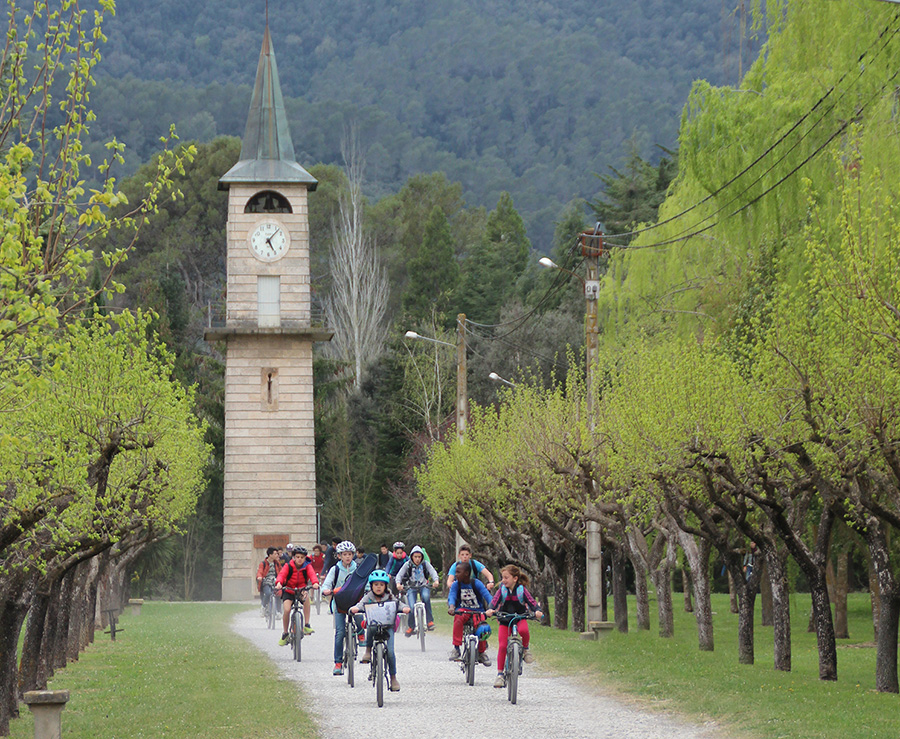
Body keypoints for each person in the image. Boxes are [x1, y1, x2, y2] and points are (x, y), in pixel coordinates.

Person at [350, 569, 410, 692]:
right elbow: (360, 605)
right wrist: (355, 608)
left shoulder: (390, 596)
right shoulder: (368, 597)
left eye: (381, 585)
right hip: (374, 625)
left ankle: (393, 677)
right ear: (371, 586)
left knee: (391, 652)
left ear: (385, 586)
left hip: (388, 627)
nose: (378, 587)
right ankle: (368, 650)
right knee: (371, 628)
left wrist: (405, 608)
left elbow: (399, 605)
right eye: (376, 584)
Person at [485, 564, 543, 688]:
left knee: (524, 630)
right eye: (502, 578)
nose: (504, 580)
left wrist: (537, 610)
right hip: (505, 619)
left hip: (520, 617)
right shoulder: (502, 590)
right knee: (502, 646)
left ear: (515, 578)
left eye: (506, 577)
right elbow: (494, 602)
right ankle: (500, 675)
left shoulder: (522, 590)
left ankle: (525, 650)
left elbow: (531, 602)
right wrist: (490, 610)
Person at [321, 540, 359, 675]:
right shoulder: (335, 569)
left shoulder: (357, 568)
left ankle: (361, 637)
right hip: (340, 603)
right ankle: (338, 662)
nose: (347, 557)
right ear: (339, 556)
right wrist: (326, 590)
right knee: (340, 633)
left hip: (355, 602)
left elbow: (366, 581)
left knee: (361, 619)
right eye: (344, 554)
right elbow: (327, 583)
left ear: (353, 555)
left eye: (350, 554)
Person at [447, 561, 492, 665]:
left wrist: (492, 607)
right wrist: (452, 607)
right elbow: (452, 596)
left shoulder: (476, 583)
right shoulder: (455, 585)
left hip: (478, 611)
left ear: (466, 573)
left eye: (458, 572)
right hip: (462, 610)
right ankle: (456, 647)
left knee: (482, 628)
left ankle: (482, 652)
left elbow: (487, 596)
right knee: (458, 619)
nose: (456, 575)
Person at [275, 546, 319, 645]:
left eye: (302, 557)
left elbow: (312, 575)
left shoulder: (307, 566)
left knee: (306, 599)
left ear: (305, 558)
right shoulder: (288, 566)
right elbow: (281, 575)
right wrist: (279, 583)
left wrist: (315, 583)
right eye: (297, 557)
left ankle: (307, 625)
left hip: (301, 590)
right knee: (286, 610)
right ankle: (285, 633)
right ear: (294, 557)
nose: (300, 559)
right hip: (289, 590)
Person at [395, 545, 439, 635]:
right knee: (411, 606)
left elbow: (433, 572)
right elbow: (399, 575)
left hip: (424, 585)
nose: (417, 559)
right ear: (412, 557)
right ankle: (411, 626)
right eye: (415, 557)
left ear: (422, 557)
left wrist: (436, 581)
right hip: (411, 587)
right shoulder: (407, 564)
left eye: (419, 557)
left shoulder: (425, 564)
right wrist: (398, 584)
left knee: (426, 597)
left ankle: (429, 621)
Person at [256, 546, 280, 616]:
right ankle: (263, 607)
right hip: (266, 581)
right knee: (268, 593)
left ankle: (278, 611)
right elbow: (260, 571)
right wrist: (260, 577)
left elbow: (281, 572)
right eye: (275, 554)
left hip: (275, 581)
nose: (277, 555)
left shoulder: (277, 563)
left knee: (279, 594)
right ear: (270, 555)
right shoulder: (263, 563)